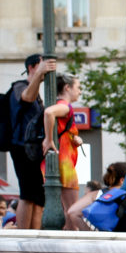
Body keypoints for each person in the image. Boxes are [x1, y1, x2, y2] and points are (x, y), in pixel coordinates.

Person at [9, 54, 57, 229]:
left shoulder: (37, 93)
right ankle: (23, 233)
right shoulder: (20, 86)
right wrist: (39, 73)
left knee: (37, 197)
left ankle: (34, 234)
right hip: (21, 147)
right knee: (28, 194)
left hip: (33, 149)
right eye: (41, 64)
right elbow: (26, 98)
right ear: (32, 67)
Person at [40, 72, 84, 228]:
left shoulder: (57, 104)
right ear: (67, 87)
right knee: (71, 209)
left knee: (63, 208)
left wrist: (74, 139)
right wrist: (49, 139)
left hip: (56, 161)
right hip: (63, 163)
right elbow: (49, 112)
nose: (80, 91)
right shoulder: (64, 106)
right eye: (78, 87)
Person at [66, 163, 126, 231]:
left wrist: (89, 232)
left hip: (100, 239)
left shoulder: (96, 194)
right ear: (122, 180)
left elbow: (73, 212)